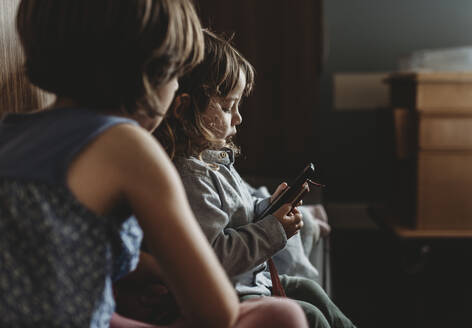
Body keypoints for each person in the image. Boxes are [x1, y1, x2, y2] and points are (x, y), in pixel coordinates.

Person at [0, 1, 308, 327]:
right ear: (148, 73)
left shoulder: (9, 133)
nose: (177, 88)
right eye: (177, 74)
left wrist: (153, 270)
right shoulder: (131, 148)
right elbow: (216, 312)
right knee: (281, 314)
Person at [154, 29, 357, 328]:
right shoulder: (189, 179)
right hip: (225, 294)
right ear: (183, 109)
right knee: (309, 316)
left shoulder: (214, 161)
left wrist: (267, 208)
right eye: (226, 107)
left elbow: (238, 216)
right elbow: (214, 257)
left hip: (248, 282)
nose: (237, 118)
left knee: (310, 290)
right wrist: (272, 230)